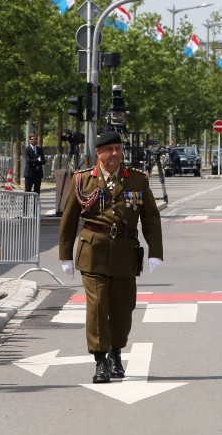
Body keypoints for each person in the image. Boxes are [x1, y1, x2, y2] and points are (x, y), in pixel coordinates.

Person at [57, 130, 164, 384]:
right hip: (93, 250)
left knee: (123, 309)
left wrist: (155, 252)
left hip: (126, 252)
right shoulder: (83, 180)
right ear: (99, 153)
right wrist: (65, 255)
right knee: (96, 308)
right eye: (109, 150)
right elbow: (69, 219)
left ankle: (116, 350)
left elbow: (150, 218)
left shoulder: (137, 180)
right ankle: (100, 360)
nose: (115, 154)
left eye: (118, 149)